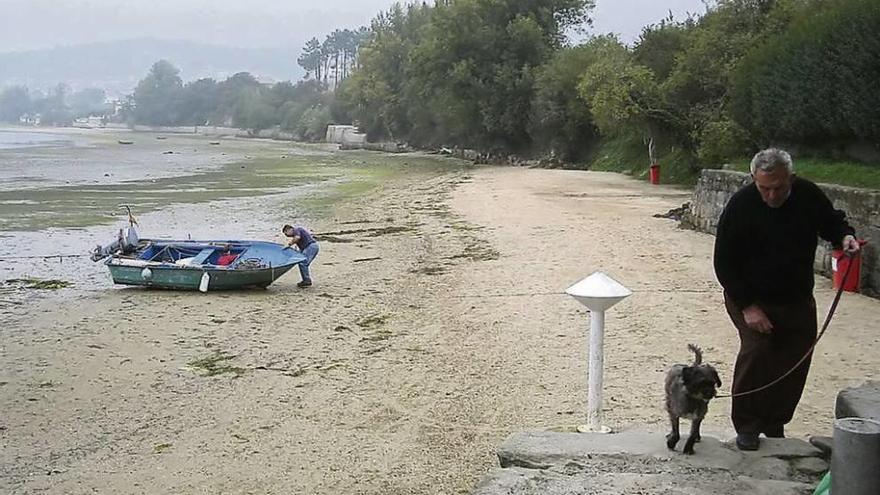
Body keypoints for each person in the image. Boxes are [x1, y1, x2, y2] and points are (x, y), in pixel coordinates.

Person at [713, 148, 860, 451]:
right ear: (753, 179)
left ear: (790, 178)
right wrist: (748, 307)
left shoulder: (807, 194)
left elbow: (832, 222)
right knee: (758, 351)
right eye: (764, 187)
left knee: (796, 355)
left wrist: (845, 237)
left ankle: (774, 421)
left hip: (795, 296)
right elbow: (724, 262)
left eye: (778, 187)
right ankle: (748, 426)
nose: (771, 195)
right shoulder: (741, 205)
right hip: (750, 297)